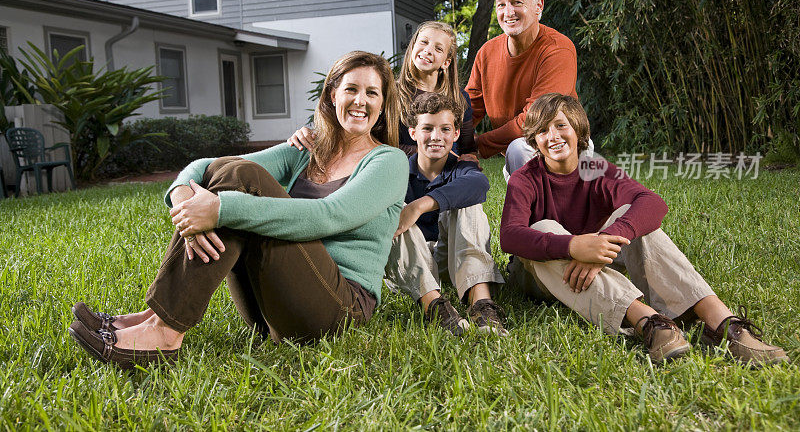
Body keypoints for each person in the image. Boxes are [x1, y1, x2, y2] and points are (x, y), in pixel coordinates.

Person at [68, 51, 409, 368]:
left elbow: (329, 216)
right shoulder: (305, 150)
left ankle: (165, 332)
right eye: (351, 88)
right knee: (234, 172)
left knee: (243, 180)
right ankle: (154, 319)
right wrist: (182, 194)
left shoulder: (388, 161)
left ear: (382, 104)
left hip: (337, 308)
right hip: (267, 307)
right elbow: (211, 166)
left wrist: (220, 209)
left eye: (372, 93)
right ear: (332, 95)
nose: (360, 101)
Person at [501, 92, 789, 365]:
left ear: (577, 130)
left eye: (560, 125)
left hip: (593, 263)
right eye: (542, 131)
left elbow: (651, 202)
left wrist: (602, 243)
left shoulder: (598, 169)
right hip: (537, 277)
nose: (552, 136)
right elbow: (510, 236)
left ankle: (721, 324)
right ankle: (650, 322)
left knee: (634, 216)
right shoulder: (525, 179)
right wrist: (573, 247)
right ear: (534, 140)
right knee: (544, 226)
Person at [384, 92, 506, 336]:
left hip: (452, 261)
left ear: (456, 134)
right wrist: (404, 211)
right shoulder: (397, 170)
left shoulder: (462, 168)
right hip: (410, 264)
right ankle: (436, 308)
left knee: (468, 203)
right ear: (413, 133)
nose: (436, 137)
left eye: (445, 129)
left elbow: (479, 185)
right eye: (427, 128)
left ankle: (481, 304)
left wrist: (419, 206)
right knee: (391, 214)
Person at [289, 21, 476, 159]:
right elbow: (371, 141)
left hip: (449, 172)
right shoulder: (389, 92)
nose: (428, 50)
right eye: (423, 42)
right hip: (403, 170)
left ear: (446, 62)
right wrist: (310, 132)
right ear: (412, 48)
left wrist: (467, 161)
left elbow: (468, 150)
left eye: (438, 48)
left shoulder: (459, 98)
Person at [465, 0, 582, 179]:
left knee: (519, 147)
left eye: (517, 2)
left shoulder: (558, 49)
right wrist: (447, 136)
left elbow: (534, 119)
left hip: (561, 146)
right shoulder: (487, 53)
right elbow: (469, 109)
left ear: (538, 6)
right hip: (517, 154)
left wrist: (476, 145)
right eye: (501, 4)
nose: (508, 12)